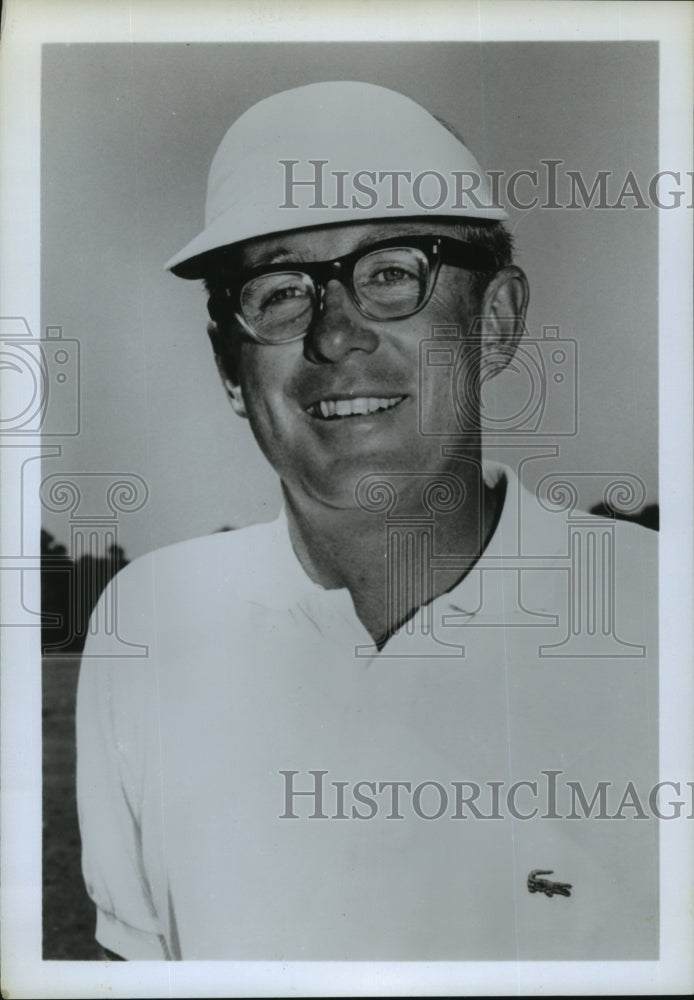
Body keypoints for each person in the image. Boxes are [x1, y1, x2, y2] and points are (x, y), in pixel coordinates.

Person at [76, 81, 658, 961]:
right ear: (230, 366)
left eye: (392, 273)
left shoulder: (664, 617)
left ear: (495, 322)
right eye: (278, 291)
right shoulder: (147, 625)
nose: (336, 336)